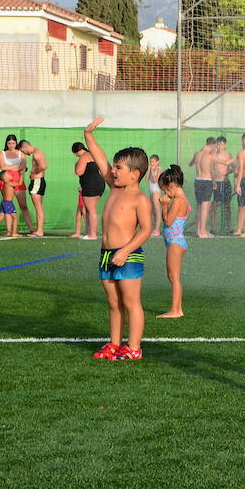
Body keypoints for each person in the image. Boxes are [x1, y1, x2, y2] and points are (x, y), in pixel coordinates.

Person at [83, 117, 152, 362]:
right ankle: (114, 343)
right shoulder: (114, 187)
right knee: (114, 303)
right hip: (106, 255)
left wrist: (125, 251)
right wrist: (88, 135)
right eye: (114, 166)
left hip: (128, 255)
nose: (113, 171)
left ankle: (133, 347)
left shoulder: (140, 199)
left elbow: (146, 230)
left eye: (119, 168)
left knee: (131, 302)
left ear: (134, 174)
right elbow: (100, 160)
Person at [157, 163, 189, 317]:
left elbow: (168, 222)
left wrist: (164, 206)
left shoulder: (178, 201)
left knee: (174, 277)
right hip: (174, 241)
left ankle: (175, 310)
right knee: (173, 277)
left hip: (175, 242)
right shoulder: (180, 199)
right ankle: (178, 309)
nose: (164, 193)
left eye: (164, 189)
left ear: (171, 185)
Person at [0, 134, 33, 232]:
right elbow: (2, 167)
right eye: (9, 143)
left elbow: (23, 167)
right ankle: (9, 230)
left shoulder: (21, 153)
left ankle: (31, 229)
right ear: (6, 143)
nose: (11, 145)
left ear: (16, 143)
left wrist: (10, 167)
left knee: (23, 206)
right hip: (6, 180)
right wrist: (16, 166)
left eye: (13, 143)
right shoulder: (2, 153)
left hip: (18, 180)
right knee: (7, 205)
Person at [74, 140, 105, 240]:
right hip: (99, 184)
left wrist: (76, 165)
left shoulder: (84, 156)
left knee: (91, 210)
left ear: (77, 151)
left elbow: (79, 171)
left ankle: (92, 234)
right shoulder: (93, 155)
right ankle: (88, 232)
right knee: (89, 209)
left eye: (75, 154)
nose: (76, 156)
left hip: (91, 185)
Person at [18, 139, 48, 236]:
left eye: (23, 151)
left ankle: (40, 231)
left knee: (38, 207)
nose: (24, 153)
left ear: (25, 146)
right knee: (39, 207)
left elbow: (44, 166)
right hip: (38, 181)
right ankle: (39, 230)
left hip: (37, 182)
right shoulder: (37, 152)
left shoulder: (36, 153)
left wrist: (34, 171)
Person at [190, 136, 216, 238]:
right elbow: (222, 164)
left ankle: (198, 230)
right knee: (205, 206)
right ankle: (202, 231)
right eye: (215, 146)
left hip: (198, 181)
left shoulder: (197, 154)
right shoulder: (210, 155)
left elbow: (191, 164)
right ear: (212, 145)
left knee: (199, 206)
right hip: (206, 181)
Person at [211, 136, 235, 235]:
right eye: (218, 144)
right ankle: (213, 227)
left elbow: (234, 168)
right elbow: (210, 168)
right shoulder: (213, 155)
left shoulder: (228, 155)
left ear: (225, 145)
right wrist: (213, 180)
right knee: (214, 205)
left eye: (221, 144)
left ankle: (229, 227)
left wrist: (228, 171)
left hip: (225, 182)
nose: (219, 146)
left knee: (227, 205)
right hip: (216, 182)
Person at [0, 170, 20, 237]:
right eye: (8, 174)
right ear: (5, 178)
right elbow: (19, 183)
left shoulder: (5, 184)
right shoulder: (9, 183)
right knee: (15, 218)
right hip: (8, 203)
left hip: (3, 202)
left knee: (0, 217)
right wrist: (22, 174)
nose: (10, 174)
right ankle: (14, 233)